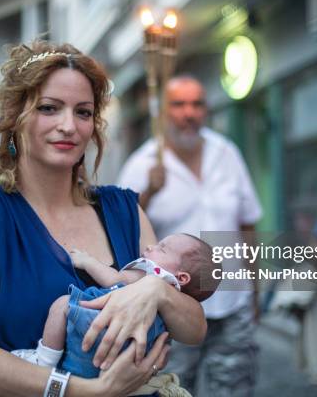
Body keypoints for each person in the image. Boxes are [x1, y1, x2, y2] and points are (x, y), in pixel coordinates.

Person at [0, 40, 207, 397]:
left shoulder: (125, 211)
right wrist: (87, 391)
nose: (69, 126)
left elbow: (194, 329)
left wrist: (157, 291)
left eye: (83, 112)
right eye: (50, 108)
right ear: (15, 115)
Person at [118, 74, 263, 396]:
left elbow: (247, 225)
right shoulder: (141, 164)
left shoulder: (226, 153)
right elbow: (123, 230)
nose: (189, 113)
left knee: (237, 389)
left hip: (232, 303)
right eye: (179, 104)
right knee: (173, 390)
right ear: (163, 112)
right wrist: (150, 192)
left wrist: (254, 291)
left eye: (197, 104)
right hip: (172, 312)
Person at [12, 233, 218, 380]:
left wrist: (87, 261)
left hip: (98, 325)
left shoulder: (153, 274)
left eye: (161, 248)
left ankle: (44, 360)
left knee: (62, 306)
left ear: (181, 277)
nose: (149, 247)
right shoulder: (174, 306)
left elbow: (115, 279)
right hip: (129, 357)